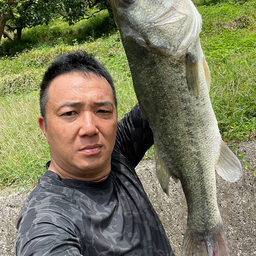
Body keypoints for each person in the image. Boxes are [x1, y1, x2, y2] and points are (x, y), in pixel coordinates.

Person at [16, 51, 175, 256]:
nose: (90, 128)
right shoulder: (46, 217)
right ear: (45, 127)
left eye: (103, 111)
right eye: (70, 113)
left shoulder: (116, 151)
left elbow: (169, 89)